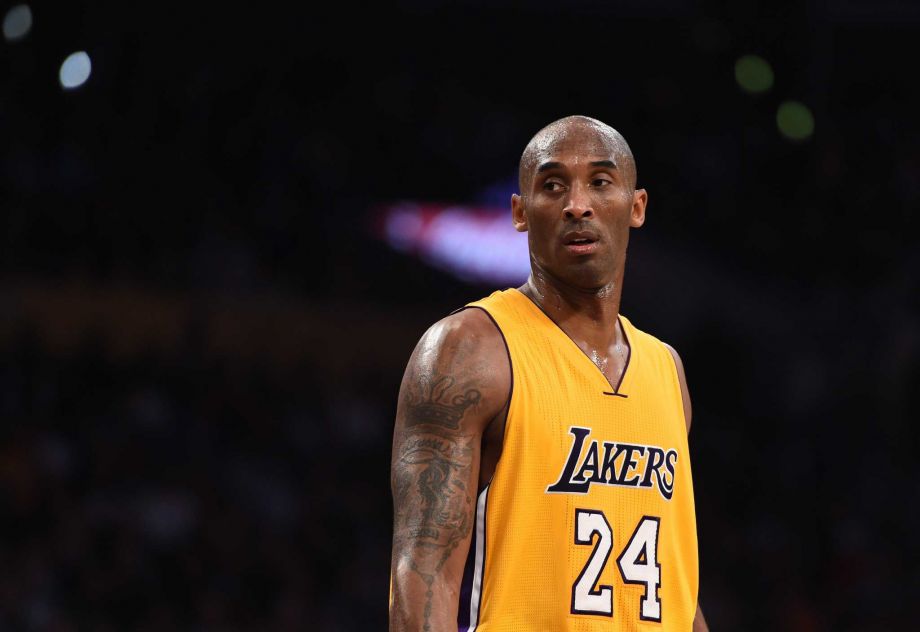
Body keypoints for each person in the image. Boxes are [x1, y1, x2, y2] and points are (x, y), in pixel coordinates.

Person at [389, 115, 708, 631]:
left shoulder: (666, 371)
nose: (576, 204)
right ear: (520, 212)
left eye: (600, 183)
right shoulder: (469, 349)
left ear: (636, 207)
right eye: (553, 185)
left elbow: (678, 587)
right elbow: (423, 575)